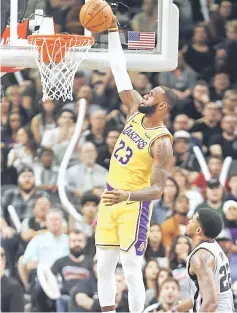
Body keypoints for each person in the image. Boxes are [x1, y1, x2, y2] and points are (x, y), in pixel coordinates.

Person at [95, 16, 175, 313]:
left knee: (130, 267)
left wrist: (127, 196)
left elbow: (156, 191)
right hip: (110, 195)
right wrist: (113, 31)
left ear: (163, 107)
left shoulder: (161, 142)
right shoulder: (134, 108)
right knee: (103, 265)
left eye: (154, 94)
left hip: (133, 204)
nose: (148, 93)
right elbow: (118, 68)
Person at [170, 208, 234, 312]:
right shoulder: (215, 247)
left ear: (198, 230)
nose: (189, 221)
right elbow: (201, 296)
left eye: (193, 219)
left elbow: (210, 304)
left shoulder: (200, 257)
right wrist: (174, 310)